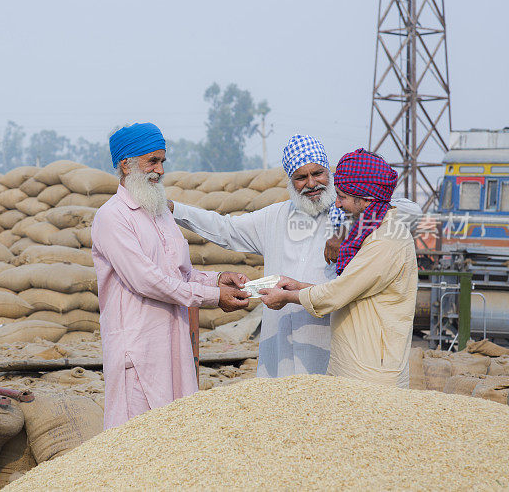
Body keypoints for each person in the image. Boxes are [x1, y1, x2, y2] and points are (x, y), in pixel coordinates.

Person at [170, 135, 421, 378]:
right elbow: (225, 229)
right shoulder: (275, 217)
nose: (311, 184)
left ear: (329, 173)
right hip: (281, 348)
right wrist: (175, 209)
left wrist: (347, 232)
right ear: (291, 182)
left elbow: (410, 211)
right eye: (301, 177)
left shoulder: (352, 210)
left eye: (318, 173)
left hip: (331, 347)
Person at [92, 122, 250, 429]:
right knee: (135, 440)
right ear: (126, 164)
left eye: (163, 161)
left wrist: (217, 279)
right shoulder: (111, 217)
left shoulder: (161, 212)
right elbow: (147, 280)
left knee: (175, 435)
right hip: (137, 350)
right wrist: (214, 297)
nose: (160, 170)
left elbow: (181, 273)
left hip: (174, 345)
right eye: (152, 161)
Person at [259, 149, 417, 388]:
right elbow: (354, 291)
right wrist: (299, 286)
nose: (338, 203)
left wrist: (290, 296)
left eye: (342, 197)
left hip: (372, 373)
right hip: (355, 366)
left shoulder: (385, 241)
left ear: (364, 197)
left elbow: (339, 293)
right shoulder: (368, 230)